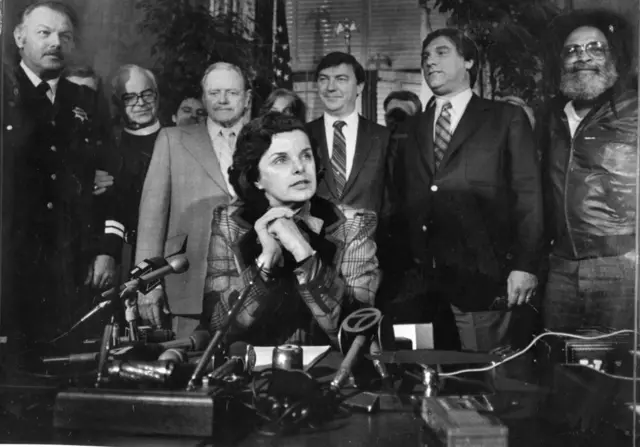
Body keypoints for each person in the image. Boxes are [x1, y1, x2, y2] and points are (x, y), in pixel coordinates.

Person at [396, 28, 543, 352]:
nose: (429, 61)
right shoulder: (413, 128)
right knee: (424, 380)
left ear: (469, 62)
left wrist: (525, 265)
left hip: (481, 281)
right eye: (425, 56)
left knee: (483, 384)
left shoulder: (504, 118)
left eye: (441, 52)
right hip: (420, 285)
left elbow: (528, 196)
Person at [205, 112, 379, 345]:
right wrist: (265, 263)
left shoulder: (353, 223)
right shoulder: (229, 222)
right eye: (281, 159)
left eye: (306, 156)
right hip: (252, 370)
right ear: (256, 177)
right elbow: (218, 329)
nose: (300, 168)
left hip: (330, 370)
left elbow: (357, 331)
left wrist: (304, 254)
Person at [9, 1, 123, 349]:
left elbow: (113, 182)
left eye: (64, 35)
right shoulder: (6, 94)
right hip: (12, 266)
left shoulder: (87, 102)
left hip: (73, 265)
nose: (55, 42)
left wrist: (109, 249)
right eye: (44, 33)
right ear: (19, 37)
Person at [539, 9, 637, 330]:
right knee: (562, 362)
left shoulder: (634, 111)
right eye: (572, 51)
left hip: (616, 264)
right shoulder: (550, 116)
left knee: (613, 364)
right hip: (561, 266)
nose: (582, 58)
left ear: (612, 57)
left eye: (594, 48)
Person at [135, 62, 249, 337]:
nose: (222, 100)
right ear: (204, 96)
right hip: (187, 285)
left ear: (247, 97)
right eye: (214, 93)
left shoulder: (268, 141)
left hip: (253, 289)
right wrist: (148, 284)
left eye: (232, 93)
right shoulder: (173, 140)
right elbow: (152, 218)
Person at [306, 52, 391, 219]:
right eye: (323, 79)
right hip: (313, 242)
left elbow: (391, 201)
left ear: (359, 86)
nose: (330, 87)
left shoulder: (383, 137)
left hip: (369, 241)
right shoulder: (303, 135)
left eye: (341, 79)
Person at [110, 64, 162, 264]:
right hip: (125, 253)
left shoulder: (177, 140)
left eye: (147, 94)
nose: (140, 103)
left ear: (156, 96)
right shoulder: (110, 146)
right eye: (130, 97)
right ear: (117, 102)